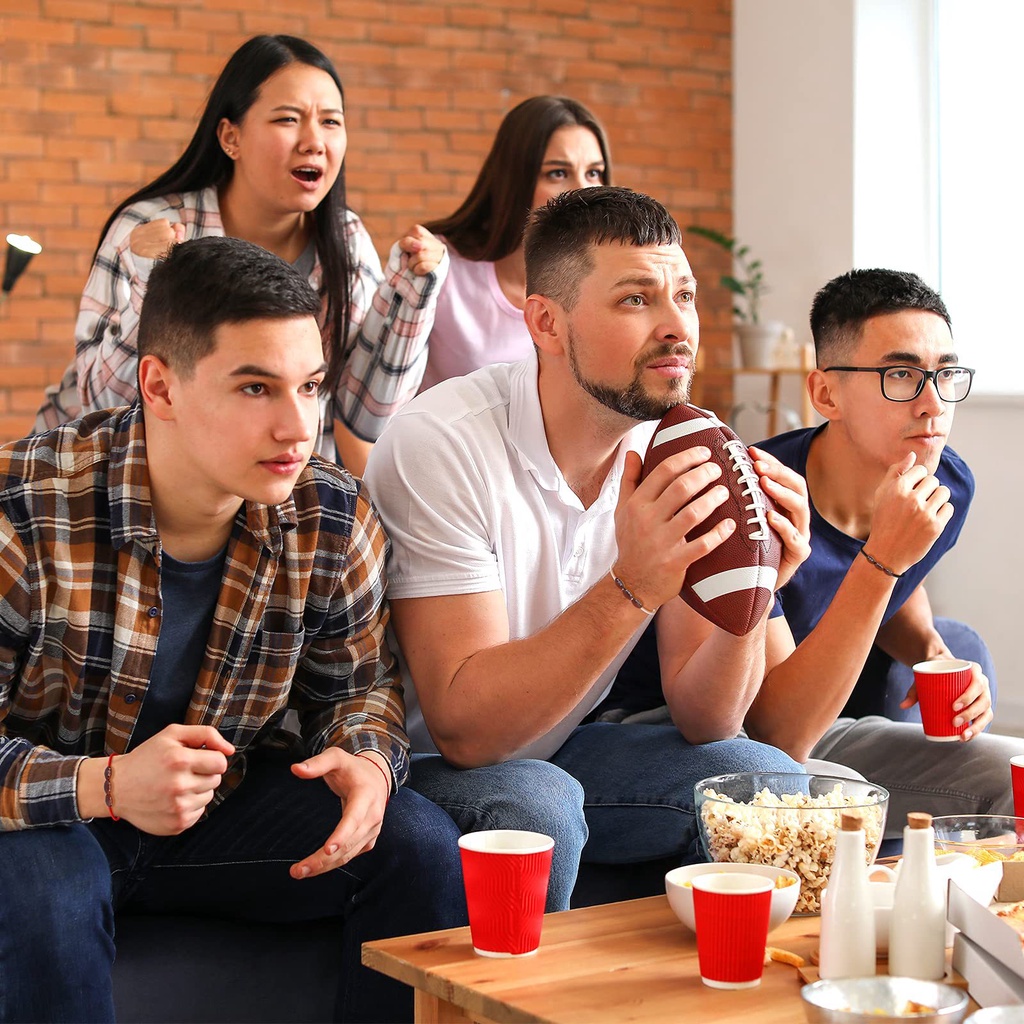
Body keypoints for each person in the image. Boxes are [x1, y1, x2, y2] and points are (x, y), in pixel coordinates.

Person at [0, 236, 465, 1024]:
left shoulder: (330, 515)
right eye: (255, 388)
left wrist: (365, 759)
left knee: (415, 844)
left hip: (221, 814)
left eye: (311, 386)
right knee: (46, 884)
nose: (296, 425)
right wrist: (105, 785)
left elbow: (358, 690)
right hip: (53, 818)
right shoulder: (25, 510)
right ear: (160, 386)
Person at [363, 186, 809, 912]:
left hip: (561, 749)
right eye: (637, 300)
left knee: (766, 779)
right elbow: (465, 731)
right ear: (546, 321)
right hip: (416, 763)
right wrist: (633, 585)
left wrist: (753, 594)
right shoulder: (441, 442)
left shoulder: (681, 446)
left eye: (685, 296)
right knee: (535, 803)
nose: (677, 328)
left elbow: (708, 720)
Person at [34, 34, 444, 475]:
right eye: (288, 119)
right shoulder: (151, 227)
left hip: (264, 484)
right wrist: (151, 281)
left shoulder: (345, 239)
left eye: (331, 122)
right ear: (231, 137)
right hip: (100, 477)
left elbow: (367, 415)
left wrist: (413, 292)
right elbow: (108, 404)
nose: (314, 141)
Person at [744, 268, 1020, 829]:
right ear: (826, 393)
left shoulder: (946, 485)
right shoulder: (758, 501)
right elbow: (775, 733)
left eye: (945, 375)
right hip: (742, 725)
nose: (932, 404)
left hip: (834, 698)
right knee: (846, 795)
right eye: (900, 374)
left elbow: (898, 591)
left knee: (975, 680)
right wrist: (883, 557)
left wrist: (932, 652)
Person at [390, 95, 611, 393]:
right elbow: (379, 398)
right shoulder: (443, 270)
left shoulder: (601, 287)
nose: (582, 192)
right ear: (515, 179)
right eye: (558, 173)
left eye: (593, 173)